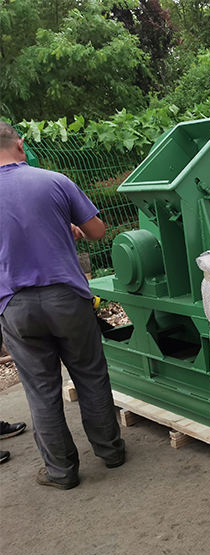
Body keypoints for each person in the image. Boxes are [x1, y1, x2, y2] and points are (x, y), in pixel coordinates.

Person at [0, 122, 125, 489]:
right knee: (90, 374)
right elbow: (98, 231)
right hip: (67, 298)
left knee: (41, 390)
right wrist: (69, 226)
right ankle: (111, 452)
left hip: (15, 305)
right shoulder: (54, 181)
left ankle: (61, 472)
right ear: (20, 145)